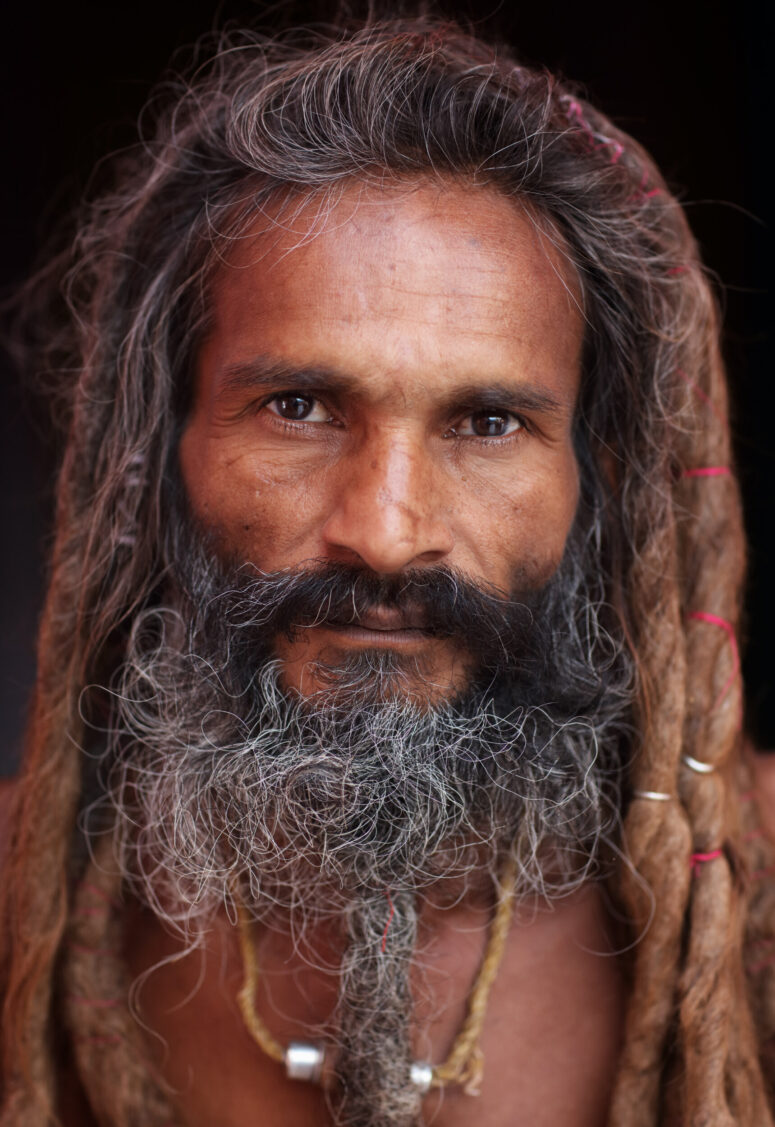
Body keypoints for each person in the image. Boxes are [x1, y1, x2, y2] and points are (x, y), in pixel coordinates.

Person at [1, 14, 773, 1127]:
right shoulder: (20, 900)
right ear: (157, 448)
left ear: (600, 481)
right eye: (300, 407)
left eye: (488, 421)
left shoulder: (746, 900)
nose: (386, 530)